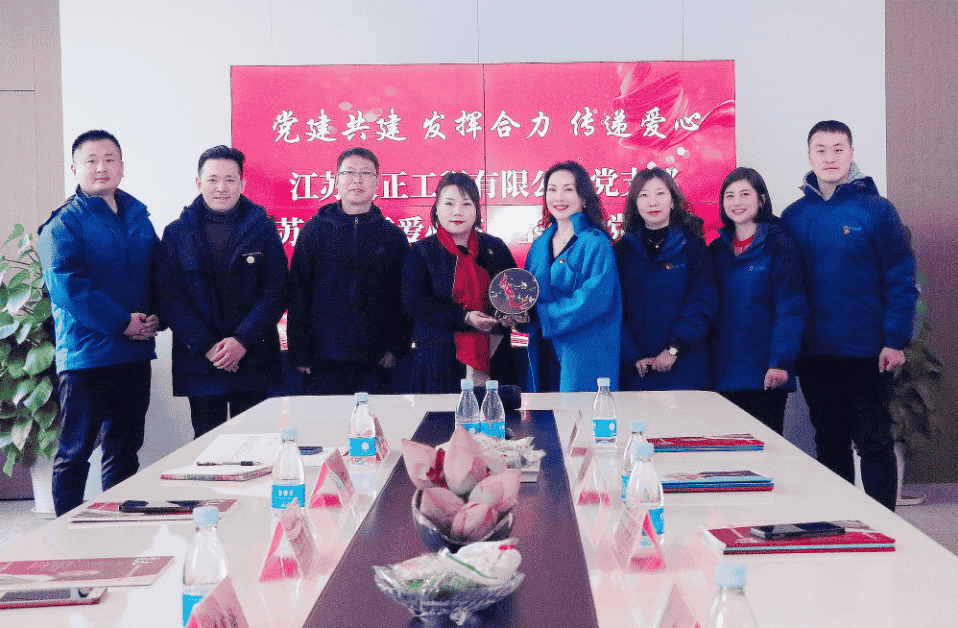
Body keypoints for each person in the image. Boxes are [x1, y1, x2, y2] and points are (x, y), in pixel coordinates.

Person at [782, 120, 918, 511]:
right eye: (821, 149)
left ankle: (883, 526)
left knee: (873, 441)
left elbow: (900, 279)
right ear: (810, 156)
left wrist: (895, 340)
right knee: (829, 441)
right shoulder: (794, 216)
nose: (830, 157)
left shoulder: (877, 210)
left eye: (838, 149)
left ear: (851, 153)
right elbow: (786, 289)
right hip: (816, 353)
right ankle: (841, 524)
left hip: (868, 351)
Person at [38, 130, 160, 516]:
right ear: (75, 169)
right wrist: (122, 322)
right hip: (86, 357)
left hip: (134, 354)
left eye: (109, 159)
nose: (101, 167)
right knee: (75, 452)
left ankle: (118, 526)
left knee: (124, 450)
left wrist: (157, 316)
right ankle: (65, 533)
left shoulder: (138, 217)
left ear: (122, 167)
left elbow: (159, 274)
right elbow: (67, 287)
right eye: (91, 160)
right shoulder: (62, 224)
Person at [156, 146, 288, 438]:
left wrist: (242, 340)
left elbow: (276, 290)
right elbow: (170, 296)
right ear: (198, 183)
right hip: (201, 362)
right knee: (206, 446)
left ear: (242, 183)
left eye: (230, 179)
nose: (221, 187)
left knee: (255, 444)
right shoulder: (177, 233)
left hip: (253, 358)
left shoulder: (263, 229)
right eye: (213, 179)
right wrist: (207, 346)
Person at [287, 147, 410, 395]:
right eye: (350, 172)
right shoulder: (314, 232)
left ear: (377, 182)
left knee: (376, 420)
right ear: (337, 180)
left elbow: (404, 299)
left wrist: (397, 349)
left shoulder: (392, 237)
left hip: (377, 360)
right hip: (323, 360)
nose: (357, 180)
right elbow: (298, 294)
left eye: (366, 173)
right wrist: (300, 352)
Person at [401, 172, 521, 393]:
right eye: (449, 203)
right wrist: (464, 317)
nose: (457, 211)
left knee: (494, 414)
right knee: (441, 416)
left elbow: (515, 294)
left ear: (476, 209)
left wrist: (512, 315)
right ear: (437, 208)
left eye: (466, 204)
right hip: (439, 360)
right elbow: (414, 302)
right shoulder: (421, 251)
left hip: (494, 356)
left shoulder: (495, 248)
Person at [709, 167, 808, 434]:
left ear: (761, 200)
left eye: (745, 194)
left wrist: (780, 362)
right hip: (723, 373)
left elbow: (791, 309)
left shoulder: (780, 244)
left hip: (766, 373)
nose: (737, 202)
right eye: (729, 196)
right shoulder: (716, 250)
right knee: (727, 449)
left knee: (766, 448)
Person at [615, 167, 718, 391]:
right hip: (637, 369)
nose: (653, 202)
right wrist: (632, 354)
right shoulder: (622, 251)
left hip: (685, 366)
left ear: (672, 201)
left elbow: (703, 302)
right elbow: (614, 306)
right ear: (635, 204)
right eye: (644, 195)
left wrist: (674, 348)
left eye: (660, 193)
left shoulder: (693, 246)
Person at [524, 161, 622, 392]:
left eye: (568, 189)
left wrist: (539, 313)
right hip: (543, 351)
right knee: (543, 412)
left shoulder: (596, 243)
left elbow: (593, 300)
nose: (559, 197)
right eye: (552, 189)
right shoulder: (538, 246)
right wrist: (519, 315)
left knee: (581, 411)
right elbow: (527, 294)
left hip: (582, 355)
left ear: (584, 198)